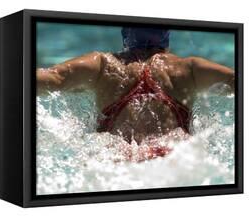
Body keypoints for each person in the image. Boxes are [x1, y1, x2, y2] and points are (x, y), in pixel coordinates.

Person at [37, 27, 234, 162]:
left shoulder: (104, 65)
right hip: (173, 162)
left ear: (125, 36)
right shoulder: (188, 69)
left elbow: (51, 78)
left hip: (118, 161)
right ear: (166, 38)